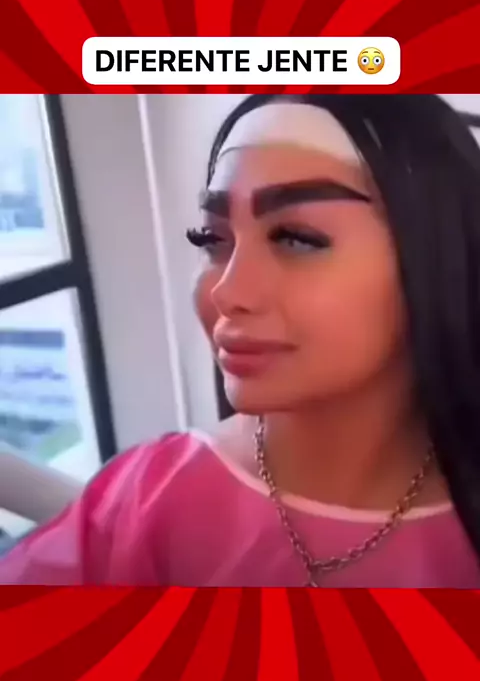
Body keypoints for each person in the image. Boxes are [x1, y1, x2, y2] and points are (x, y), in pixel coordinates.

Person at [2, 94, 480, 587]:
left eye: (296, 238)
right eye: (213, 240)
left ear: (436, 255)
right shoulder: (151, 498)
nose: (227, 292)